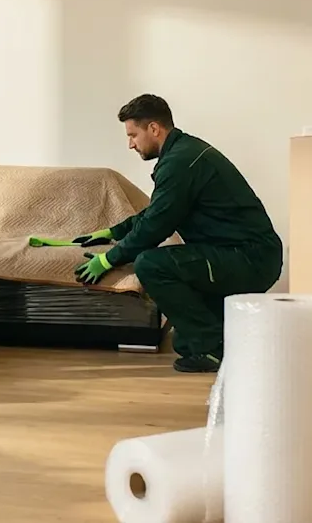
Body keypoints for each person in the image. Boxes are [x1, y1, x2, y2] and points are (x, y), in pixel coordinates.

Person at [72, 94, 282, 373]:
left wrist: (108, 260)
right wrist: (112, 232)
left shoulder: (180, 163)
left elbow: (156, 226)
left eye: (133, 134)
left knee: (151, 264)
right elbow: (156, 211)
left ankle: (212, 349)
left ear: (154, 129)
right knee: (183, 342)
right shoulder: (184, 153)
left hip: (247, 259)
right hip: (239, 254)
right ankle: (217, 342)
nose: (130, 144)